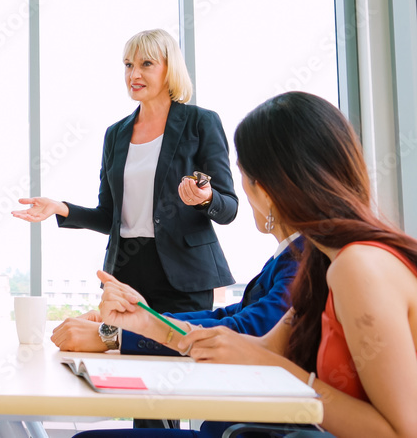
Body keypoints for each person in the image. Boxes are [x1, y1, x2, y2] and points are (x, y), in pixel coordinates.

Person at [88, 91, 417, 437]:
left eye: (243, 176)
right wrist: (146, 320)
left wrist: (282, 370)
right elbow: (261, 347)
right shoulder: (324, 264)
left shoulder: (357, 268)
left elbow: (401, 432)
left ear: (268, 190)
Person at [13, 29, 239, 315]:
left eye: (146, 64)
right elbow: (110, 217)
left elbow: (229, 208)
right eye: (128, 64)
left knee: (177, 353)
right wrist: (61, 208)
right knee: (125, 355)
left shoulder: (201, 122)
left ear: (170, 69)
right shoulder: (115, 134)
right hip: (127, 273)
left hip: (185, 275)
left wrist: (206, 198)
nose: (134, 74)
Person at [50, 230, 299, 357]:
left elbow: (248, 331)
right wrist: (131, 326)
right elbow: (228, 315)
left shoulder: (301, 259)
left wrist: (113, 336)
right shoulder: (289, 254)